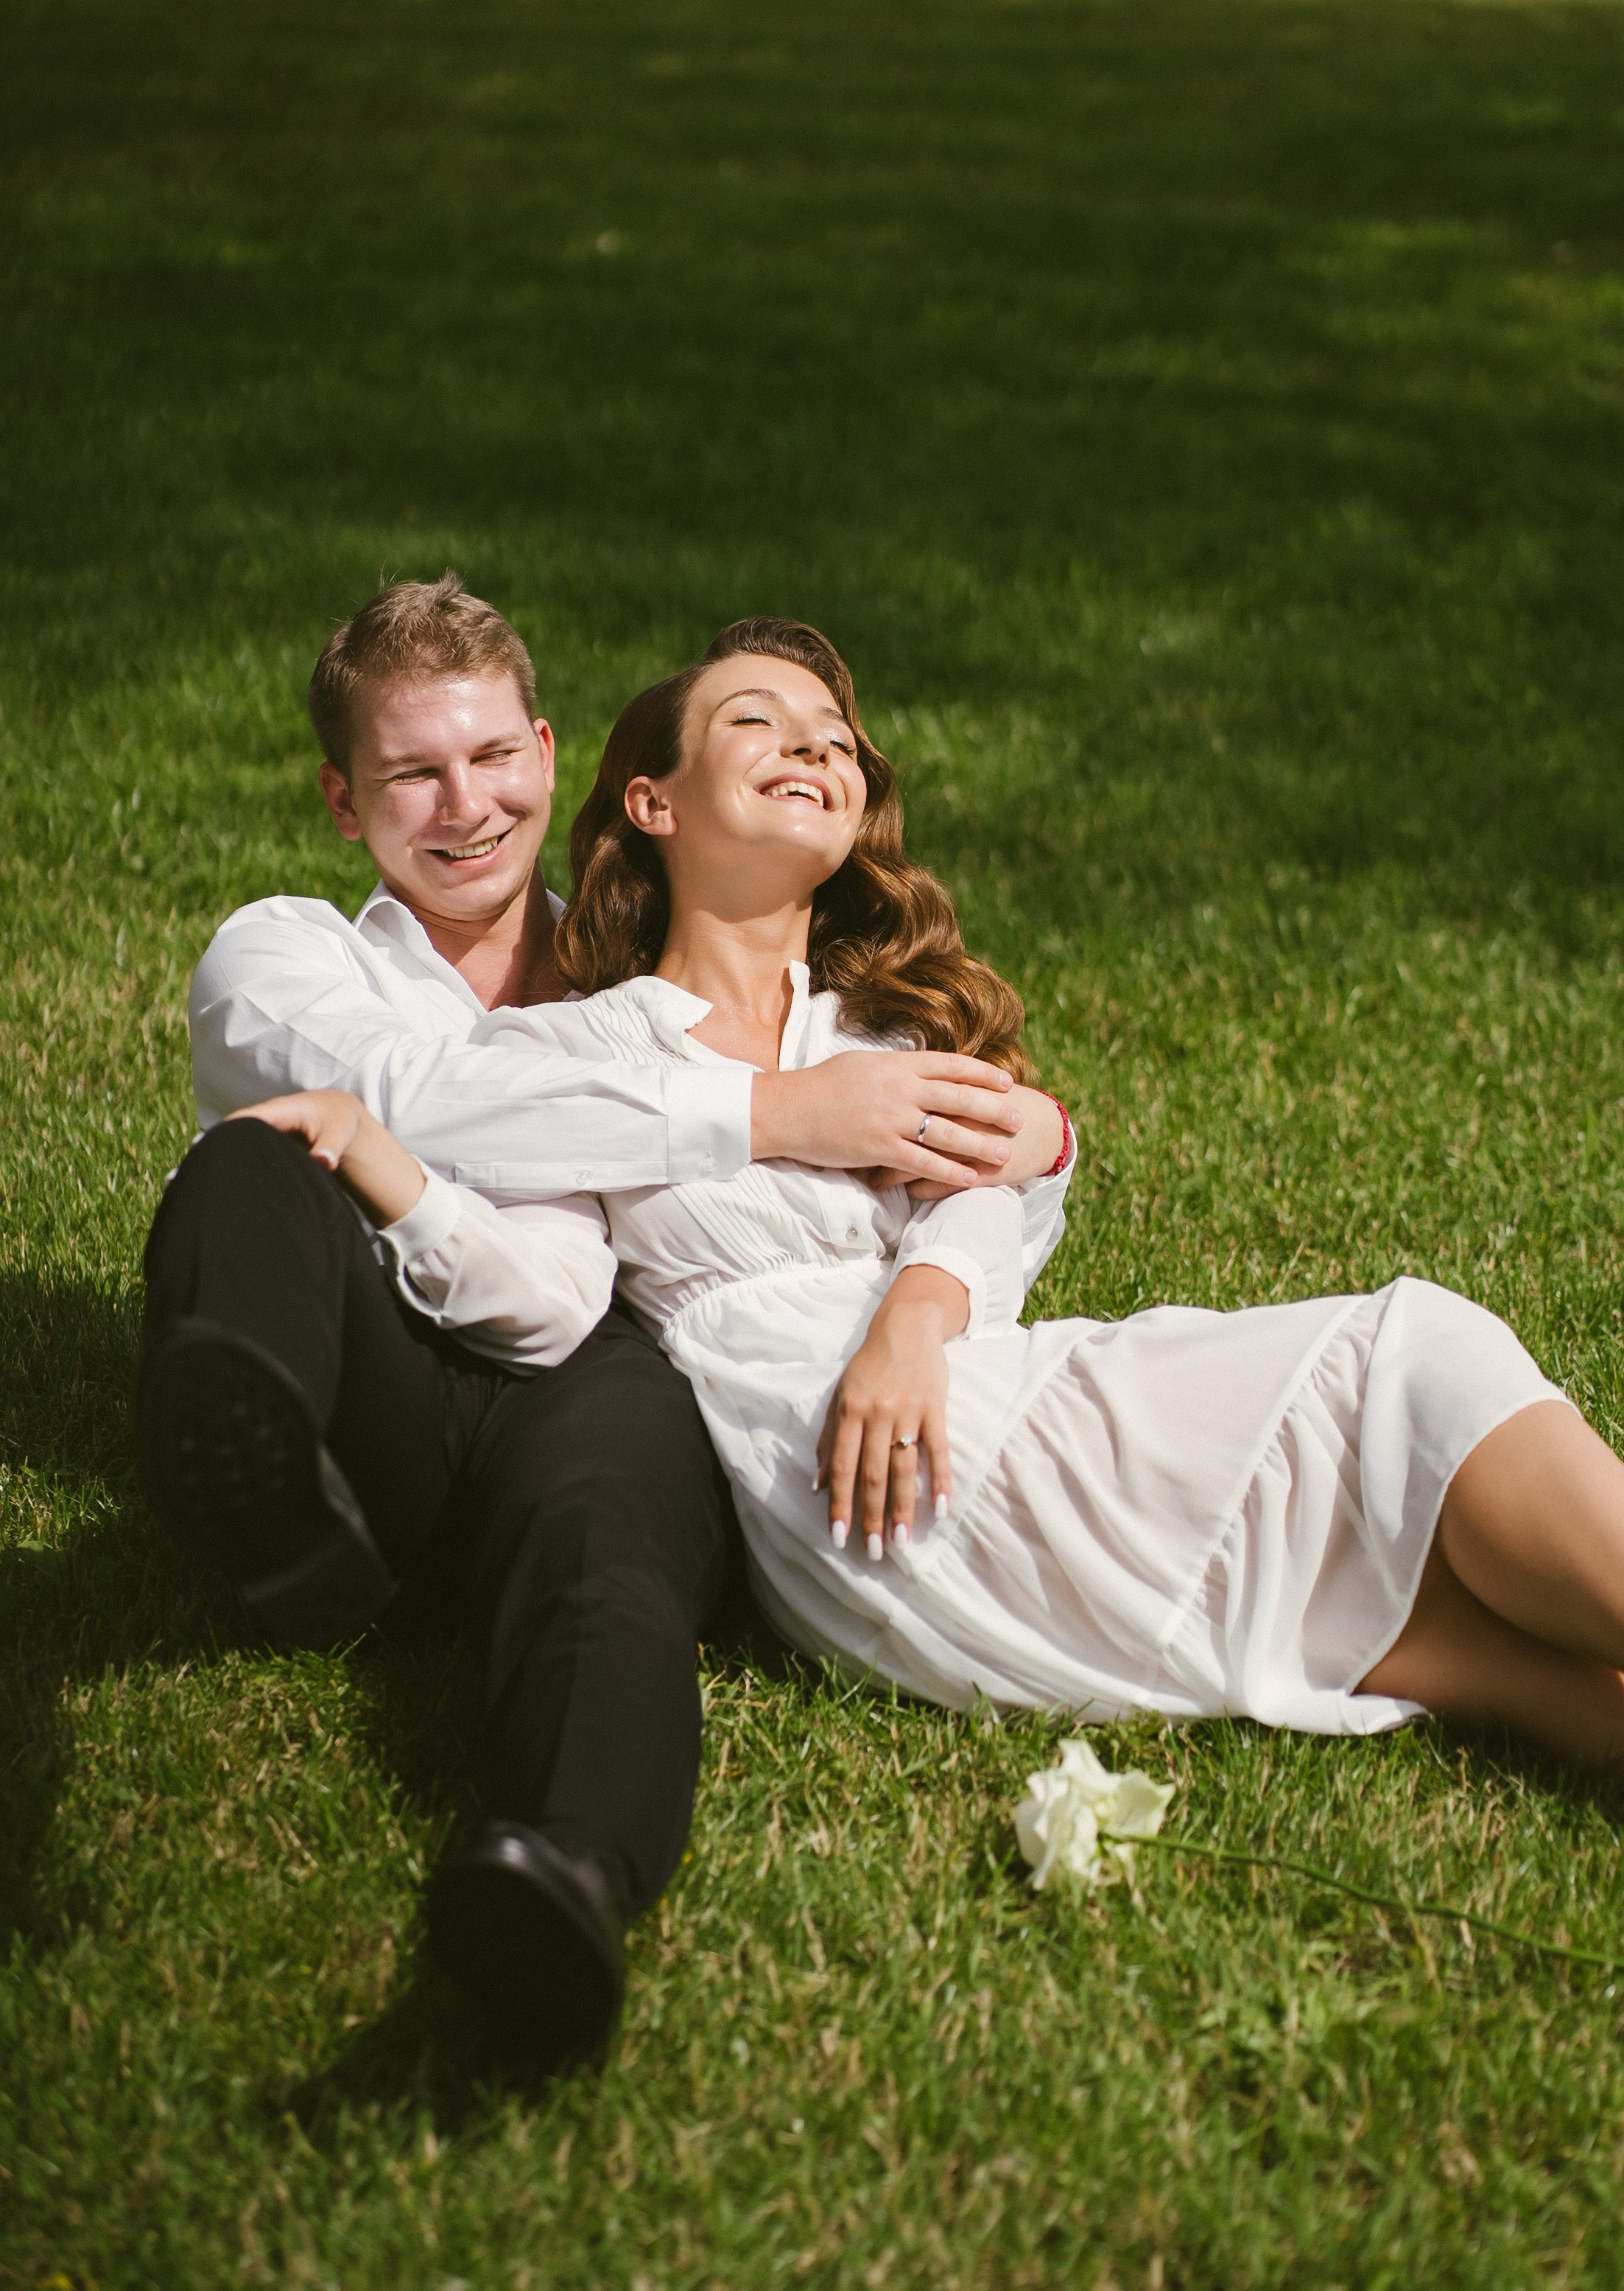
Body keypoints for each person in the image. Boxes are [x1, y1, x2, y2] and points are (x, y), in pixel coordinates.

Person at [236, 614, 1624, 1773]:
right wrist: (384, 1162)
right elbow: (538, 1293)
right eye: (758, 724)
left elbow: (983, 1185)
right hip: (842, 1483)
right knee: (1407, 1357)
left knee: (1482, 1644)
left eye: (834, 739)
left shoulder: (877, 1032)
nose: (814, 746)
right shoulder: (579, 1051)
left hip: (971, 1386)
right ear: (650, 803)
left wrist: (915, 1316)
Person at [137, 580, 1036, 2073]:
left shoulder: (634, 963)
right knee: (263, 1155)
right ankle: (268, 1504)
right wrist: (771, 1114)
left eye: (493, 758)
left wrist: (1016, 1137)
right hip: (353, 1369)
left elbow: (571, 1280)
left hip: (566, 1358)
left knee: (612, 1527)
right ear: (340, 796)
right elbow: (428, 1093)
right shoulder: (285, 951)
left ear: (548, 756)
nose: (465, 806)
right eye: (412, 771)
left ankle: (566, 1877)